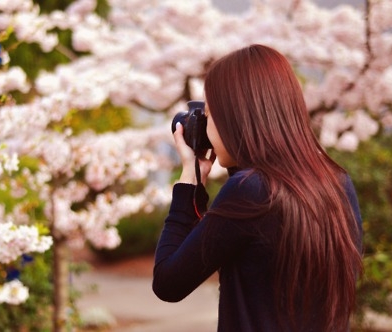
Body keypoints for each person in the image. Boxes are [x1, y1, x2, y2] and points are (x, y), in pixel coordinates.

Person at [152, 44, 363, 332]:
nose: (207, 127)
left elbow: (168, 282)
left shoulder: (249, 190)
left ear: (234, 118)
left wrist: (190, 177)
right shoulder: (337, 182)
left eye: (210, 114)